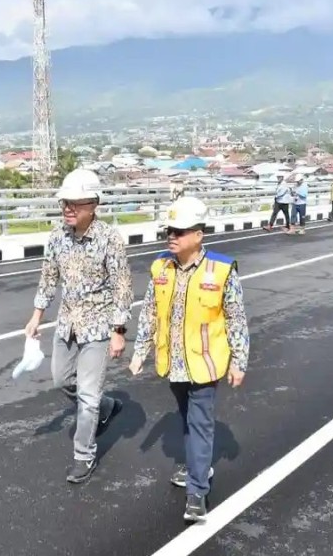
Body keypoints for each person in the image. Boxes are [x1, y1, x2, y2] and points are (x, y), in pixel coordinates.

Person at [129, 196, 250, 523]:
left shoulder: (221, 270)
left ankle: (197, 491)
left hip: (205, 364)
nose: (172, 236)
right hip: (173, 363)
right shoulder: (161, 267)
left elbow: (236, 318)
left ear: (198, 234)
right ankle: (197, 464)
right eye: (169, 231)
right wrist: (140, 351)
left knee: (199, 422)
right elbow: (150, 312)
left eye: (179, 231)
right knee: (187, 418)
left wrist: (239, 361)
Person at [26, 168, 134, 484]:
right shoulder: (57, 237)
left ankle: (83, 456)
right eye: (65, 203)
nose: (68, 209)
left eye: (75, 203)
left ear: (93, 204)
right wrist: (36, 316)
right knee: (61, 380)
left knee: (87, 396)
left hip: (98, 327)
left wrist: (118, 331)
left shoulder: (109, 239)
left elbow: (123, 287)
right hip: (68, 324)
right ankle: (107, 405)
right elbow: (48, 278)